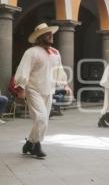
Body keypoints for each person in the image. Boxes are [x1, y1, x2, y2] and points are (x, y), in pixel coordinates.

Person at [15, 23, 71, 158]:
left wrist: (65, 85)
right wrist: (21, 89)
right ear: (39, 37)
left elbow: (59, 70)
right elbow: (24, 70)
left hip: (49, 90)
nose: (51, 35)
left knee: (41, 120)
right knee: (41, 118)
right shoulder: (31, 52)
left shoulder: (56, 53)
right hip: (33, 90)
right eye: (47, 34)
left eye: (51, 33)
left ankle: (29, 142)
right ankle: (36, 145)